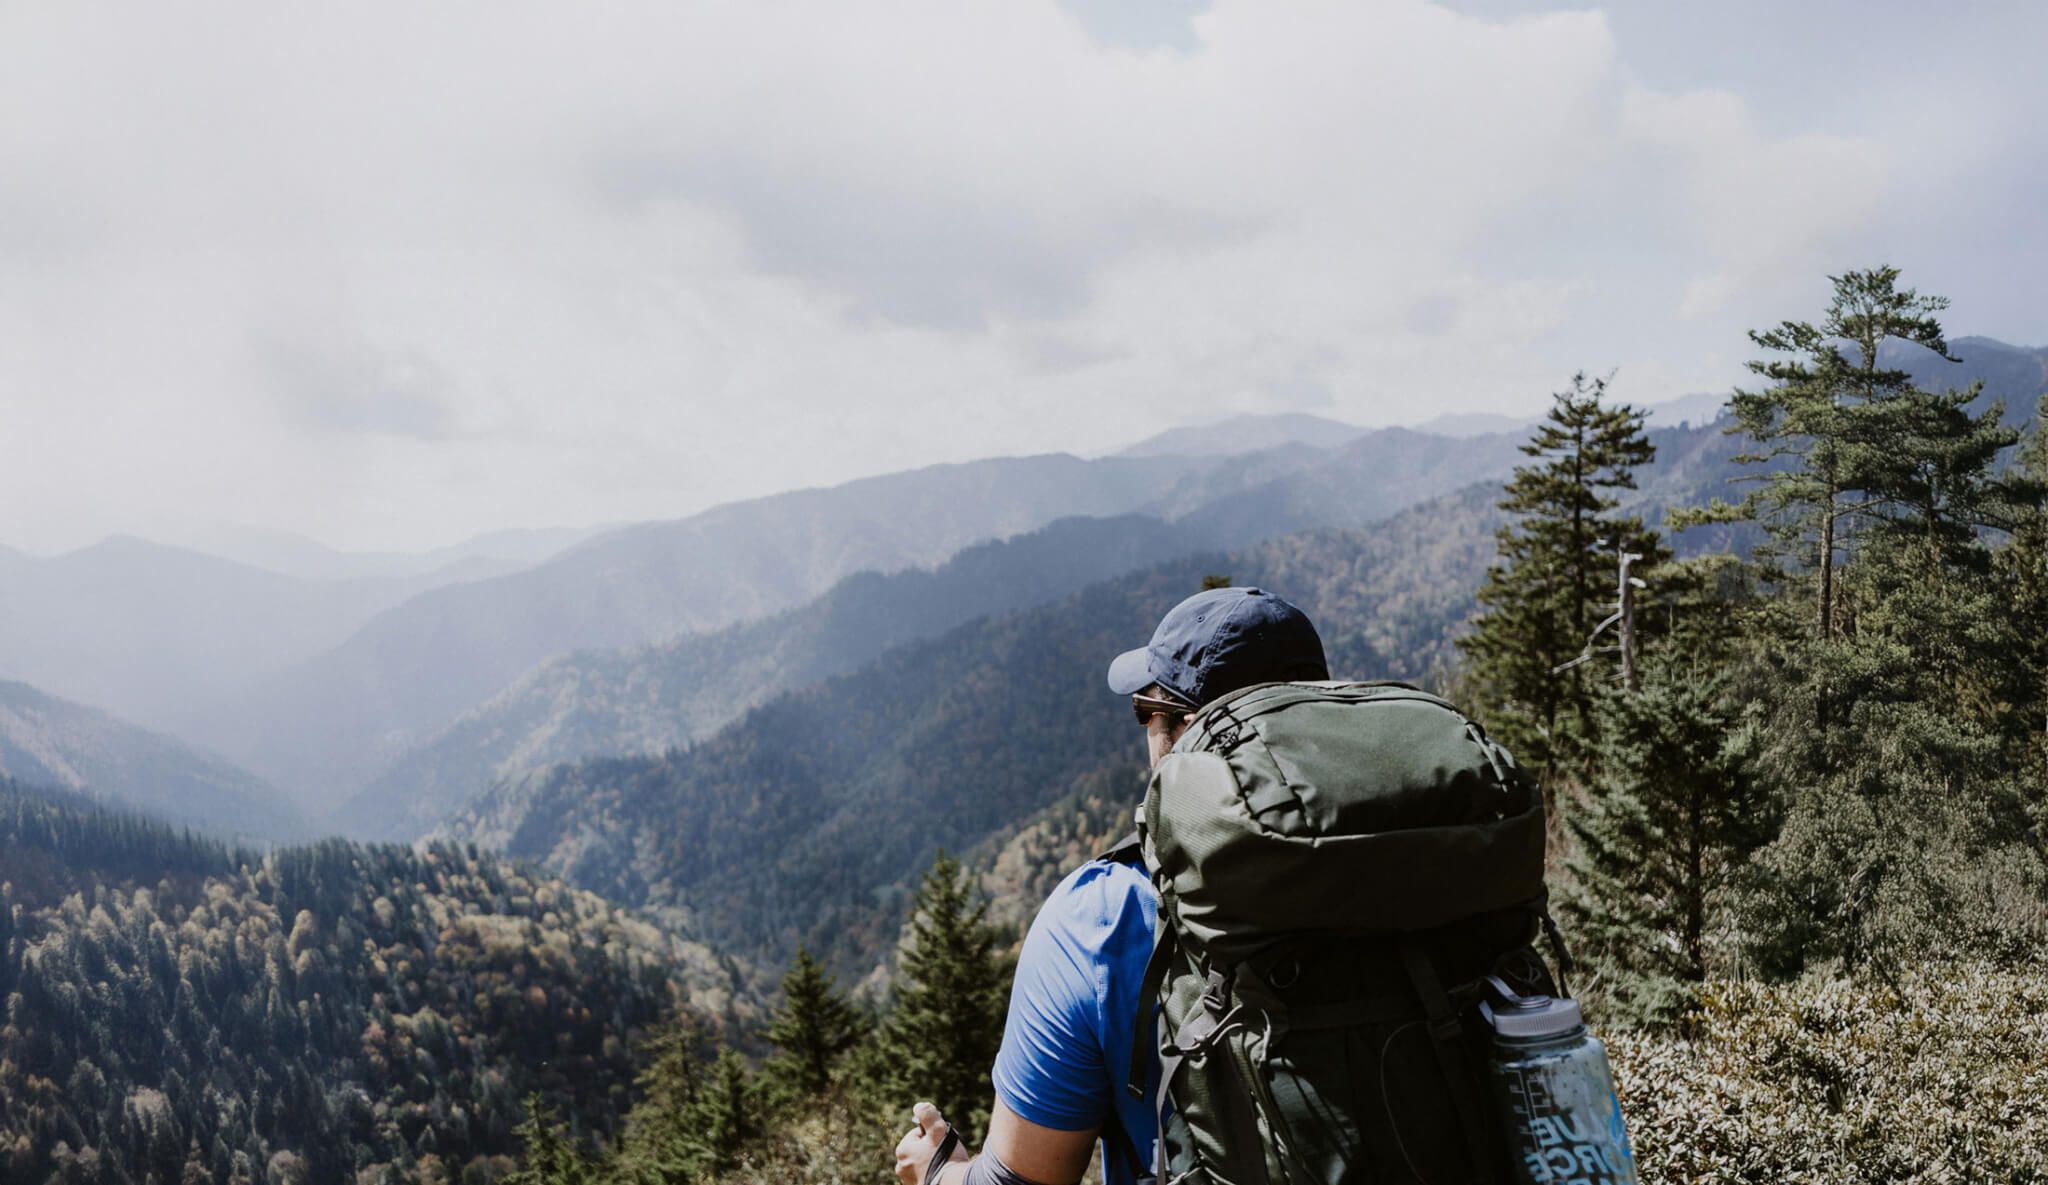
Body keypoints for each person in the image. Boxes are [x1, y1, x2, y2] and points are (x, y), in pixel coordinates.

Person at [895, 586, 1330, 1185]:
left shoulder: (1101, 919)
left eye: (1148, 711)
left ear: (1177, 729)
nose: (1146, 730)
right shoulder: (1436, 863)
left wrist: (939, 1169)